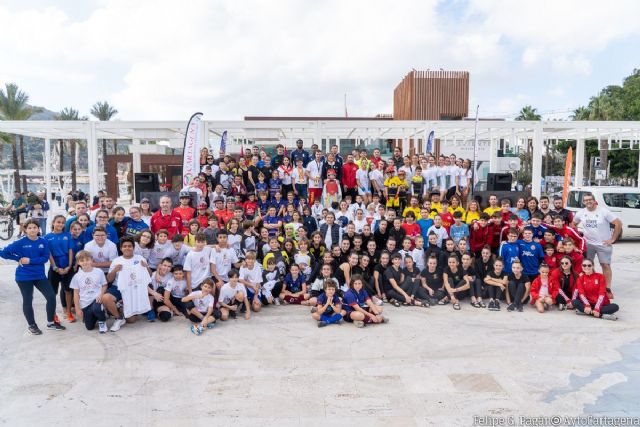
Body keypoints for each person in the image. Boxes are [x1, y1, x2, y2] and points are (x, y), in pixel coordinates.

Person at [0, 219, 65, 334]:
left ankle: (51, 323)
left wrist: (29, 260)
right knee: (28, 300)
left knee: (51, 296)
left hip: (39, 275)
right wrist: (18, 259)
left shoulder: (43, 241)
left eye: (34, 227)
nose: (32, 230)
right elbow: (3, 252)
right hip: (24, 276)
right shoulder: (20, 242)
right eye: (29, 228)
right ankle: (32, 325)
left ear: (38, 229)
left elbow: (45, 258)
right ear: (25, 230)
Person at [573, 192, 622, 296]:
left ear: (594, 200)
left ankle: (607, 288)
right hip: (588, 243)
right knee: (587, 265)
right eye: (586, 200)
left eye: (590, 199)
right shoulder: (581, 213)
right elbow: (573, 224)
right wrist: (578, 237)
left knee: (605, 265)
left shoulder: (604, 212)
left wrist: (613, 239)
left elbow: (618, 223)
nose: (588, 202)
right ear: (583, 202)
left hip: (603, 244)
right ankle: (591, 285)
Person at [71, 250, 119, 333]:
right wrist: (77, 308)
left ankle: (102, 321)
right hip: (85, 302)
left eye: (87, 259)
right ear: (78, 262)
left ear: (91, 260)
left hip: (96, 299)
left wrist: (101, 295)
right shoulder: (77, 276)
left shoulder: (98, 272)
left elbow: (104, 285)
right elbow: (75, 293)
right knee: (89, 327)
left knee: (97, 309)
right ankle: (96, 315)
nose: (85, 262)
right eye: (82, 260)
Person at [45, 215, 75, 323]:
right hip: (55, 267)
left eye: (62, 222)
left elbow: (70, 250)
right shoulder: (47, 237)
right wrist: (55, 267)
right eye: (58, 222)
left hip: (67, 266)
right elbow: (49, 254)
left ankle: (68, 312)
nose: (60, 224)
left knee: (68, 290)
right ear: (53, 223)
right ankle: (53, 314)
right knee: (52, 292)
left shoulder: (68, 235)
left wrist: (69, 266)